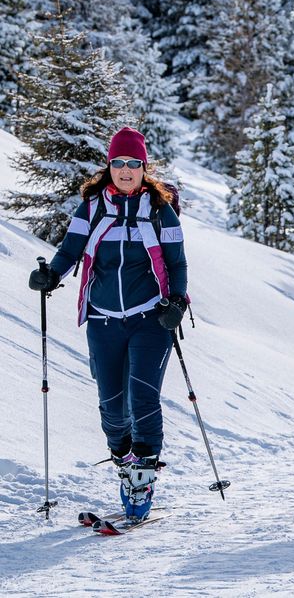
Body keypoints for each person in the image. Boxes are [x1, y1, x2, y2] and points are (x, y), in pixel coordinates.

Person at [28, 126, 187, 522]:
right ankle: (123, 462)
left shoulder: (160, 209)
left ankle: (142, 478)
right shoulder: (93, 207)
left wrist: (177, 302)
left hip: (151, 318)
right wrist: (51, 275)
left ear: (144, 167)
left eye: (134, 163)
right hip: (103, 320)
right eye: (119, 163)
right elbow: (70, 250)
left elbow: (177, 262)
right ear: (109, 165)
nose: (126, 170)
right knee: (113, 409)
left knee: (143, 398)